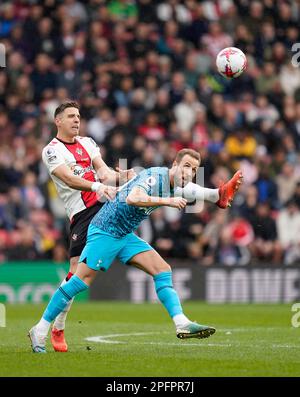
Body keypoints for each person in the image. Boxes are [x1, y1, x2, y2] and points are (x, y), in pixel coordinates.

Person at [29, 148, 243, 352]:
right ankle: (40, 329)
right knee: (80, 281)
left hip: (124, 235)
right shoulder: (157, 177)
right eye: (186, 166)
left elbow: (191, 190)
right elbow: (133, 198)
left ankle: (181, 323)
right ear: (174, 164)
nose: (189, 172)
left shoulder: (172, 182)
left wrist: (217, 195)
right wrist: (166, 201)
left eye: (194, 169)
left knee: (162, 269)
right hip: (105, 230)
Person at [41, 101, 135, 352]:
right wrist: (97, 186)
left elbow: (104, 173)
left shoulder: (89, 142)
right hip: (81, 213)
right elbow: (69, 179)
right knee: (77, 272)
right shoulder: (51, 151)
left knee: (83, 272)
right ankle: (57, 327)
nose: (76, 120)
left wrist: (121, 176)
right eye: (70, 116)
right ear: (57, 121)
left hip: (102, 206)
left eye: (78, 116)